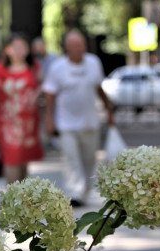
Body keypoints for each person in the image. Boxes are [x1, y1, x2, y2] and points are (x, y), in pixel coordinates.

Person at [42, 30, 115, 207]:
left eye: (81, 44)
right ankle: (75, 192)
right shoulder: (57, 67)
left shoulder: (93, 63)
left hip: (90, 122)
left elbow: (99, 87)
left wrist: (108, 109)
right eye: (75, 45)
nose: (79, 48)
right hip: (66, 124)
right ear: (66, 48)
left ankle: (84, 192)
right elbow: (49, 96)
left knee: (89, 160)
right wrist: (49, 120)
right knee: (71, 159)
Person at [0, 33, 44, 185]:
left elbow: (44, 86)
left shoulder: (35, 67)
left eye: (22, 47)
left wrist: (35, 96)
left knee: (24, 160)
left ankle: (23, 199)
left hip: (28, 122)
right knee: (12, 159)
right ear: (7, 50)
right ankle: (13, 197)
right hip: (6, 123)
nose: (19, 51)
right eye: (15, 47)